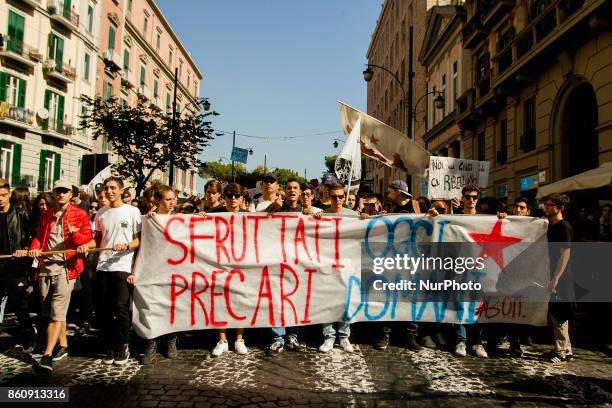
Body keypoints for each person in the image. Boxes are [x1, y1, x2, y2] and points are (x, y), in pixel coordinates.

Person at [17, 180, 93, 371]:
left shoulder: (80, 214)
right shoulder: (46, 214)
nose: (61, 194)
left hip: (67, 268)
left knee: (57, 311)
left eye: (65, 191)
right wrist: (34, 248)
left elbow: (87, 240)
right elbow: (39, 237)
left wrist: (75, 235)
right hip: (46, 266)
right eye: (58, 191)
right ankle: (64, 345)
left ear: (71, 194)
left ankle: (47, 354)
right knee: (48, 309)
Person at [428, 184, 488, 358]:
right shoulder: (456, 219)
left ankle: (477, 342)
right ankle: (461, 341)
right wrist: (435, 215)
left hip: (480, 269)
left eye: (474, 197)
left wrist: (503, 217)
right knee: (461, 304)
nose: (471, 200)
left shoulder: (485, 220)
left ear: (478, 199)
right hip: (459, 268)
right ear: (462, 198)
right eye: (467, 197)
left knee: (478, 307)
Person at [91, 176, 141, 366]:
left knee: (120, 308)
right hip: (103, 265)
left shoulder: (132, 211)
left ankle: (123, 344)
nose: (109, 191)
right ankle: (110, 345)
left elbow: (138, 241)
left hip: (122, 265)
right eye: (107, 188)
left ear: (121, 190)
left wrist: (127, 245)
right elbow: (96, 239)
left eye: (113, 188)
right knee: (103, 310)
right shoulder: (101, 214)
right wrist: (86, 246)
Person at [374, 180, 422, 352]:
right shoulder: (391, 208)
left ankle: (411, 336)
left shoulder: (418, 206)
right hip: (392, 259)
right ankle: (385, 334)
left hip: (412, 259)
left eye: (390, 191)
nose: (387, 194)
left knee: (411, 297)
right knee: (388, 296)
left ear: (398, 192)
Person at [266, 180, 307, 356]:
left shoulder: (306, 212)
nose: (292, 191)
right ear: (285, 191)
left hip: (298, 263)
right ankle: (278, 338)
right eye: (289, 188)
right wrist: (273, 207)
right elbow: (260, 222)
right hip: (277, 262)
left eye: (295, 188)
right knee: (277, 301)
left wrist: (313, 215)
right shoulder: (277, 209)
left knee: (295, 301)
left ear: (299, 192)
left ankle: (293, 336)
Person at [209, 183, 250, 357]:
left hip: (243, 266)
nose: (233, 199)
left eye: (237, 195)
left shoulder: (251, 217)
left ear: (242, 198)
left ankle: (239, 339)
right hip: (218, 264)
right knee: (219, 301)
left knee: (240, 302)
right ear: (224, 197)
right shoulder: (213, 215)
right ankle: (222, 340)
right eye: (230, 195)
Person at [141, 185, 180, 364]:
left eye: (173, 199)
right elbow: (143, 248)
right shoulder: (150, 220)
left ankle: (171, 342)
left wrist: (201, 218)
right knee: (152, 307)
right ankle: (151, 345)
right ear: (158, 201)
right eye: (168, 199)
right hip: (153, 270)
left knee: (172, 308)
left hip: (174, 271)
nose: (172, 203)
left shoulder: (181, 219)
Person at [318, 183, 356, 353]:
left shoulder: (353, 216)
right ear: (328, 197)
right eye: (334, 197)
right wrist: (313, 219)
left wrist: (364, 218)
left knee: (346, 301)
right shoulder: (321, 215)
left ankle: (344, 336)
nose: (338, 200)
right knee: (327, 301)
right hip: (327, 266)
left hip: (347, 265)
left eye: (341, 196)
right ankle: (328, 337)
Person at [0, 179, 36, 352]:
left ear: (9, 195)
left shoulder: (21, 214)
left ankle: (29, 334)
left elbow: (32, 236)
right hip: (0, 266)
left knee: (19, 304)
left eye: (3, 195)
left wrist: (25, 249)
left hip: (16, 267)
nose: (0, 199)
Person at [542, 193, 575, 363]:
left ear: (559, 208)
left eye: (550, 205)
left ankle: (560, 351)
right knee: (557, 313)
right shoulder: (551, 225)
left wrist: (555, 278)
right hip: (552, 274)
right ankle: (567, 349)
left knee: (558, 313)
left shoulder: (564, 227)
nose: (546, 207)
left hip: (561, 277)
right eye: (545, 204)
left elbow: (565, 254)